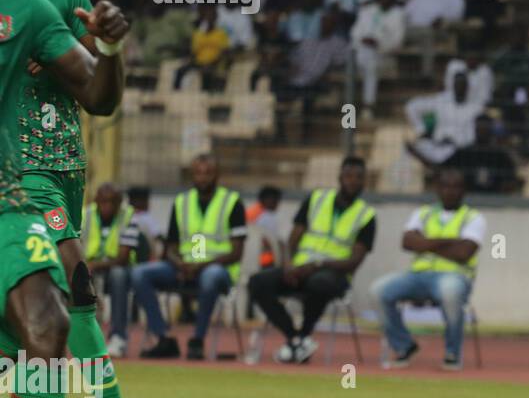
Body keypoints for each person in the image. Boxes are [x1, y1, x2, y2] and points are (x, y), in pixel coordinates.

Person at [0, 0, 163, 398]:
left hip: (68, 163)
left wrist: (102, 49)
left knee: (67, 300)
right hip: (22, 173)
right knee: (77, 280)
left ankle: (31, 371)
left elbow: (94, 87)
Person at [248, 158, 375, 364]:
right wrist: (288, 264)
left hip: (335, 274)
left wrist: (317, 266)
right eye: (348, 176)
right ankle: (296, 338)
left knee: (319, 283)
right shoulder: (316, 199)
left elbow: (354, 261)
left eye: (358, 178)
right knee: (257, 282)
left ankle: (302, 336)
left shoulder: (366, 215)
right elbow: (293, 238)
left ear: (364, 182)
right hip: (299, 268)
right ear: (339, 177)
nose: (353, 181)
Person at [131, 154, 246, 360]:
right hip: (182, 268)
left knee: (210, 277)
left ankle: (197, 340)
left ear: (217, 175)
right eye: (198, 173)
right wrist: (179, 263)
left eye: (208, 173)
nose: (203, 178)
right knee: (140, 274)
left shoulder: (232, 202)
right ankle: (162, 337)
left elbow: (237, 253)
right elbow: (172, 246)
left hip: (219, 271)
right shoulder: (182, 202)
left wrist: (201, 266)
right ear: (192, 176)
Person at [377, 168, 484, 370]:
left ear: (464, 191)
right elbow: (407, 242)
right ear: (437, 188)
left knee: (450, 292)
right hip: (417, 276)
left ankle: (452, 352)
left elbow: (464, 253)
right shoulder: (423, 213)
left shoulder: (474, 217)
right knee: (379, 291)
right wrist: (448, 242)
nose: (450, 191)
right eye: (445, 186)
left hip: (455, 276)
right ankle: (404, 345)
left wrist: (425, 243)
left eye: (456, 187)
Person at [83, 183, 149, 358]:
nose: (107, 206)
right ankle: (86, 337)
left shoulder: (129, 216)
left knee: (118, 275)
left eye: (112, 202)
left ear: (120, 203)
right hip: (89, 267)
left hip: (121, 268)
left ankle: (118, 337)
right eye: (103, 202)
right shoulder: (85, 215)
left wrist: (94, 265)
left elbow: (123, 257)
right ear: (96, 201)